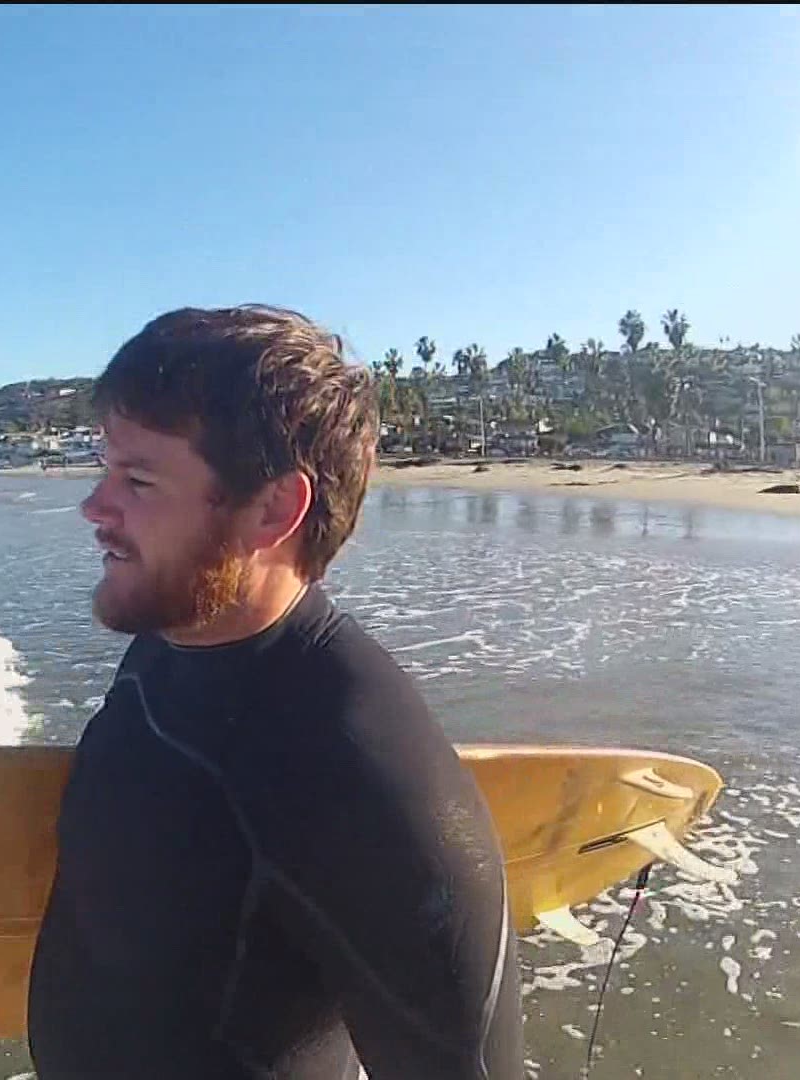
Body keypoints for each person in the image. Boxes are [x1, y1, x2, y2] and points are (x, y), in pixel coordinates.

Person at [27, 306, 524, 1079]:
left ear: (272, 511)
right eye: (105, 470)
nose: (95, 506)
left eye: (139, 480)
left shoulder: (367, 775)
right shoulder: (171, 636)